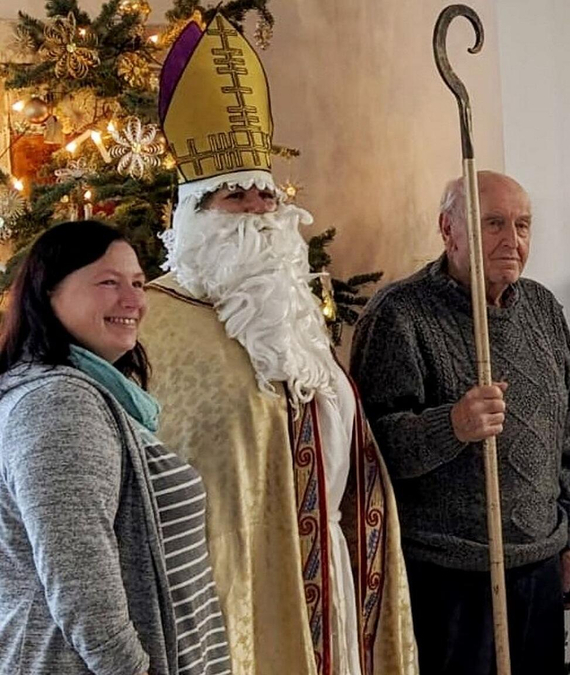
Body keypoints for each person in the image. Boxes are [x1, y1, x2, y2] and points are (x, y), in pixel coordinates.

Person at [139, 14, 416, 675]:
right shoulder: (149, 322)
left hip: (329, 593)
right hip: (225, 602)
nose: (260, 213)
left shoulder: (291, 319)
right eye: (235, 197)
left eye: (265, 195)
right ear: (196, 213)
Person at [350, 169, 570, 674]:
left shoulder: (543, 310)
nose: (512, 240)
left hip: (539, 563)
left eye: (523, 225)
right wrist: (452, 424)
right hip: (448, 574)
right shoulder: (399, 315)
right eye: (494, 224)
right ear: (448, 229)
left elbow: (569, 444)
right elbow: (370, 450)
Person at [0, 220, 230, 675]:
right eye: (109, 282)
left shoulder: (94, 393)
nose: (134, 301)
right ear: (50, 293)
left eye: (139, 283)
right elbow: (81, 586)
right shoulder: (56, 403)